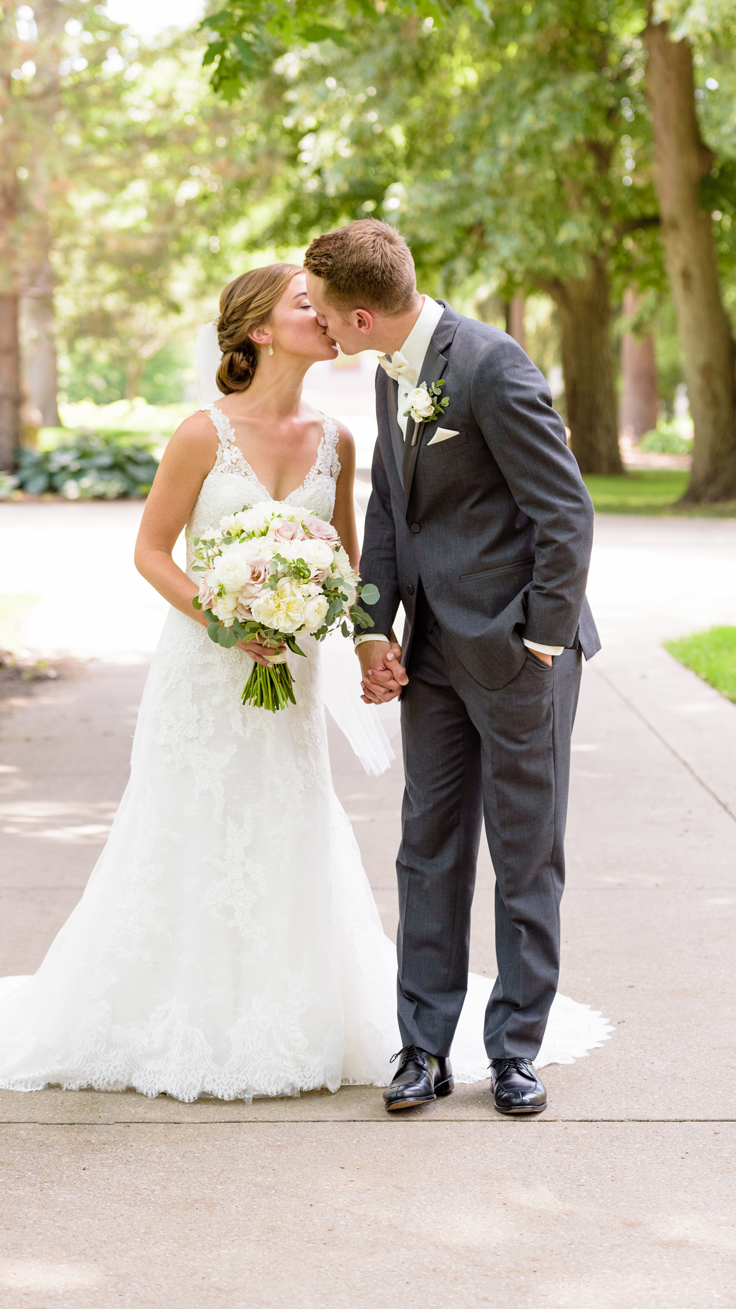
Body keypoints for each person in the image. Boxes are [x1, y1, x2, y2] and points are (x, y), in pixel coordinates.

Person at [0, 264, 607, 1102]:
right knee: (235, 836)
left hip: (304, 673)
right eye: (306, 305)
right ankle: (370, 1040)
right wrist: (230, 618)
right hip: (209, 669)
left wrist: (369, 633)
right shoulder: (202, 434)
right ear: (259, 328)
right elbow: (155, 551)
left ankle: (494, 1051)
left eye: (327, 305)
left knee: (324, 838)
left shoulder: (343, 433)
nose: (325, 320)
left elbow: (361, 554)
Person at [305, 220, 600, 1118]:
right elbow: (393, 516)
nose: (316, 326)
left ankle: (514, 1052)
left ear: (361, 316)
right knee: (426, 851)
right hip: (430, 656)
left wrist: (540, 644)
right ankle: (423, 1049)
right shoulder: (395, 374)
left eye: (321, 312)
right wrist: (369, 628)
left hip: (517, 657)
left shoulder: (492, 366)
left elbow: (567, 516)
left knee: (524, 855)